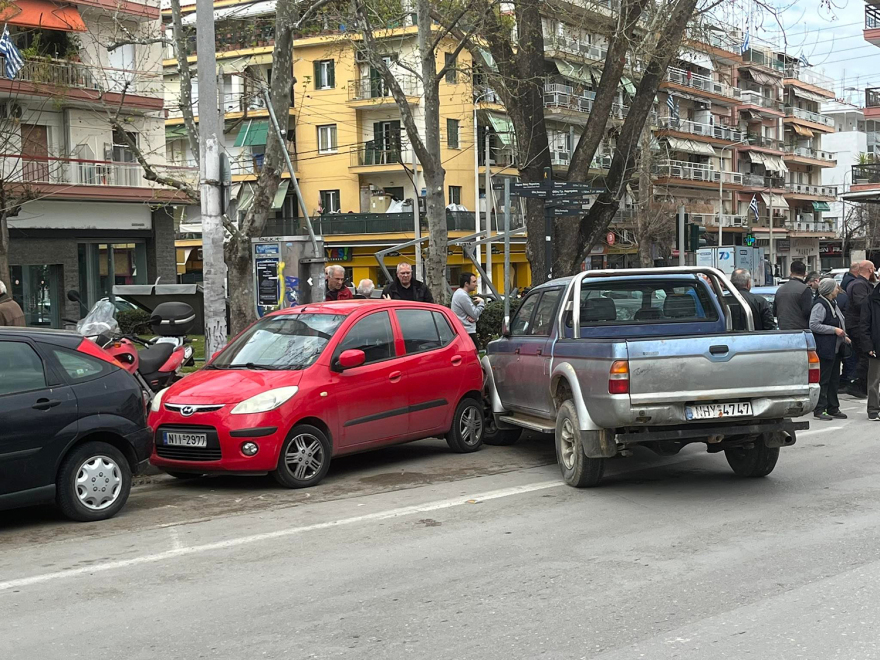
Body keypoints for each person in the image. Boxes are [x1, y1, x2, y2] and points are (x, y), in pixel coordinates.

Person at [810, 278, 850, 421]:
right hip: (825, 348)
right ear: (828, 290)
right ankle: (820, 408)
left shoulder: (833, 303)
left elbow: (840, 320)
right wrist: (834, 330)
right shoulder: (820, 305)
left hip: (835, 348)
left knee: (834, 379)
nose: (837, 290)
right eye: (835, 288)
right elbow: (814, 324)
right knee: (824, 379)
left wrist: (843, 336)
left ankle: (833, 407)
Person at [844, 260, 875, 398]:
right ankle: (856, 384)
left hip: (859, 325)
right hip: (858, 326)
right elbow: (861, 304)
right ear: (870, 270)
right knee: (865, 356)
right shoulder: (859, 285)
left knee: (865, 356)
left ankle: (861, 386)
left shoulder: (861, 284)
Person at [859, 279, 880, 421]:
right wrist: (868, 346)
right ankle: (873, 409)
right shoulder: (870, 300)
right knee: (874, 380)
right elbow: (864, 325)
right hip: (876, 346)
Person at [773, 261, 813, 330]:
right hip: (800, 331)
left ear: (791, 272)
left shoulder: (780, 290)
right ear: (805, 273)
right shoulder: (805, 289)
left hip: (782, 330)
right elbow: (808, 312)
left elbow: (774, 312)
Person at [451, 272, 485, 347]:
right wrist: (482, 303)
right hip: (467, 331)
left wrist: (475, 318)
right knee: (475, 355)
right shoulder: (462, 295)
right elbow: (475, 313)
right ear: (466, 283)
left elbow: (473, 315)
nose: (476, 284)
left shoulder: (460, 293)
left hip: (464, 330)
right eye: (474, 282)